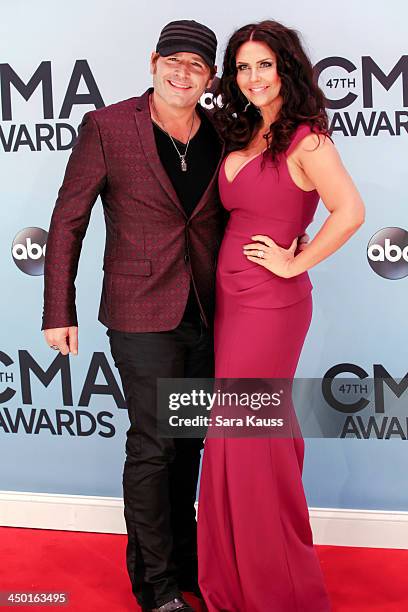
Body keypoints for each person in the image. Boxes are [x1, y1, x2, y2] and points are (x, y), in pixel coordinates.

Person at [41, 20, 225, 612]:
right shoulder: (107, 125)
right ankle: (156, 586)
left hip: (207, 308)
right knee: (155, 444)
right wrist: (57, 308)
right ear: (152, 62)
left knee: (191, 442)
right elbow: (69, 220)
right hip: (140, 310)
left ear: (210, 78)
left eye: (196, 66)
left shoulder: (221, 130)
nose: (182, 73)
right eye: (173, 60)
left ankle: (187, 565)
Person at [197, 19, 365, 612]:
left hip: (271, 304)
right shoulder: (238, 133)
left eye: (263, 64)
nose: (252, 77)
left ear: (286, 68)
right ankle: (234, 576)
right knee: (236, 434)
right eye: (242, 67)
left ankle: (276, 586)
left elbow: (350, 211)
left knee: (250, 435)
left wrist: (297, 264)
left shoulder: (308, 140)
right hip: (231, 301)